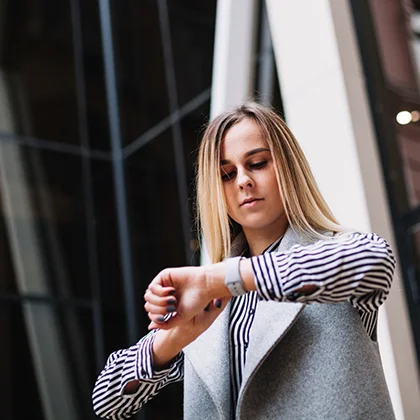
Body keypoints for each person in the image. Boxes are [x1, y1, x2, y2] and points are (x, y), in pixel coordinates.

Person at [92, 103, 396, 419]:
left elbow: (373, 258)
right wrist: (176, 337)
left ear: (288, 167)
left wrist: (218, 278)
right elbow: (108, 400)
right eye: (226, 174)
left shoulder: (336, 255)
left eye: (257, 163)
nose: (242, 181)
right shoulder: (208, 302)